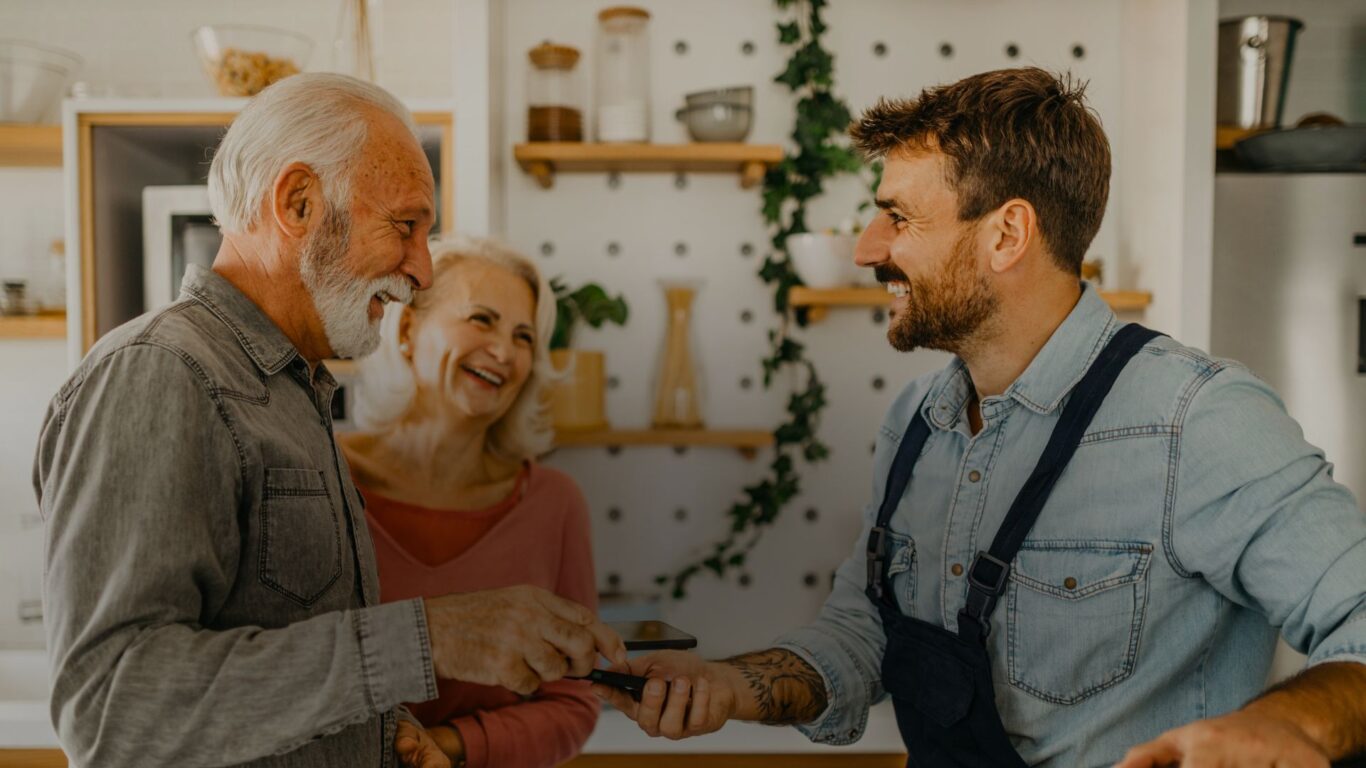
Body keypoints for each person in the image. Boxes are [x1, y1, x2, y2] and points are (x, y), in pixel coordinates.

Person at [593, 67, 1366, 767]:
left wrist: (1289, 727)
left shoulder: (1195, 419)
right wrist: (727, 686)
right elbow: (862, 634)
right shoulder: (916, 422)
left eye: (898, 217)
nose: (868, 250)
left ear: (1006, 234)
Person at [33, 73, 624, 768]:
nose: (422, 273)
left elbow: (295, 687)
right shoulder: (162, 374)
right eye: (405, 226)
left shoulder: (292, 393)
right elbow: (114, 711)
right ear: (299, 202)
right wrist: (426, 640)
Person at [338, 236, 600, 768]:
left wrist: (448, 747)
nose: (505, 352)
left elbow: (574, 700)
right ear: (408, 330)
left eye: (523, 337)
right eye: (481, 319)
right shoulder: (323, 474)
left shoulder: (554, 502)